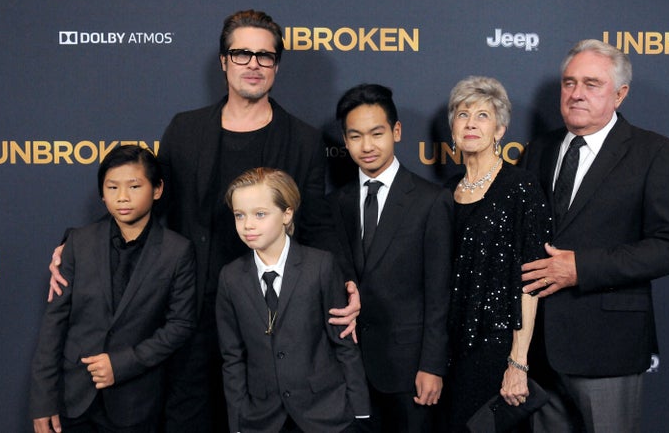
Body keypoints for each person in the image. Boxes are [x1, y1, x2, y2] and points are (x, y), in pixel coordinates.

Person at [47, 10, 360, 432]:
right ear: (223, 61)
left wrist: (346, 283)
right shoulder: (185, 129)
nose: (253, 64)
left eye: (265, 56)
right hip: (188, 308)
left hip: (272, 312)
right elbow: (147, 204)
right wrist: (74, 246)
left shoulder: (303, 139)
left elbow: (318, 223)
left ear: (276, 66)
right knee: (188, 417)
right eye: (242, 53)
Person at [519, 39, 669, 432]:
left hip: (608, 348)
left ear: (620, 94)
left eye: (591, 84)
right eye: (569, 83)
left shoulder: (654, 152)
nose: (576, 94)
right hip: (539, 350)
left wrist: (580, 267)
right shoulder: (539, 150)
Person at [30, 145, 197, 433]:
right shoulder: (77, 244)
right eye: (112, 187)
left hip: (135, 402)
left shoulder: (177, 251)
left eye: (134, 186)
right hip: (73, 399)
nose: (122, 197)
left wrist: (122, 364)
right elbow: (53, 326)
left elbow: (180, 325)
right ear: (101, 193)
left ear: (157, 189)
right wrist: (43, 400)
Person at [327, 84, 452, 432]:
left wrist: (433, 366)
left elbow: (439, 293)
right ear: (345, 140)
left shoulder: (430, 201)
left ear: (396, 132)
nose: (367, 146)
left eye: (376, 133)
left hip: (410, 369)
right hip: (350, 368)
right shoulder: (337, 202)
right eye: (355, 136)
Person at [216, 168, 370, 432]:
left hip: (325, 412)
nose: (248, 225)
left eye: (260, 214)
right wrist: (238, 420)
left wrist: (360, 412)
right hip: (261, 418)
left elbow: (343, 344)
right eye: (239, 215)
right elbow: (232, 357)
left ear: (287, 214)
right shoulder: (230, 277)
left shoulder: (320, 266)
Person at [438, 76, 551, 432]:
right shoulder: (444, 192)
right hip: (447, 350)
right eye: (462, 114)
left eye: (483, 115)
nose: (471, 123)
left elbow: (530, 279)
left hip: (496, 348)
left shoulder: (520, 186)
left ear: (500, 129)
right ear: (452, 127)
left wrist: (518, 362)